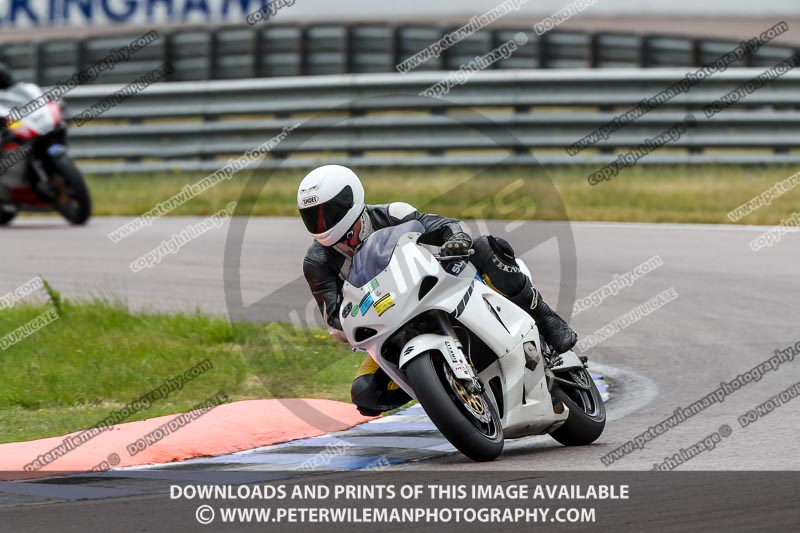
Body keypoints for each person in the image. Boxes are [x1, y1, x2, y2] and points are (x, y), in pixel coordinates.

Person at [299, 165, 577, 416]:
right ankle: (443, 391)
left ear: (352, 201)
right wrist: (353, 322)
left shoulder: (391, 213)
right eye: (314, 217)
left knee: (484, 247)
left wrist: (455, 239)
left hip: (432, 286)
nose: (323, 223)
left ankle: (546, 318)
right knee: (365, 393)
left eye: (330, 212)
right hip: (389, 322)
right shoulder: (317, 262)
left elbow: (446, 226)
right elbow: (334, 316)